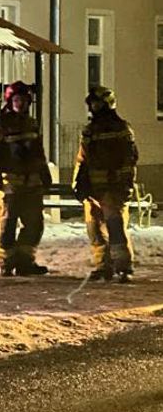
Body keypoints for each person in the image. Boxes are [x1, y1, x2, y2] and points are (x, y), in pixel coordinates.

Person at [0, 80, 52, 276]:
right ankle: (7, 262)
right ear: (10, 101)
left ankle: (25, 261)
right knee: (7, 224)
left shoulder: (32, 124)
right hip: (9, 183)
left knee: (35, 223)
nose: (20, 104)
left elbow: (39, 152)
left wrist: (44, 173)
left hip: (32, 183)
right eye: (17, 99)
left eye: (23, 100)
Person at [73, 86, 138, 282]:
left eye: (98, 103)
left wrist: (126, 183)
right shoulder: (89, 130)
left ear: (108, 104)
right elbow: (82, 158)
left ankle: (123, 266)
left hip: (113, 187)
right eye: (92, 104)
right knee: (94, 228)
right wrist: (79, 182)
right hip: (93, 188)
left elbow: (129, 159)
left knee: (115, 226)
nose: (94, 107)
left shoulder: (121, 129)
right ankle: (103, 265)